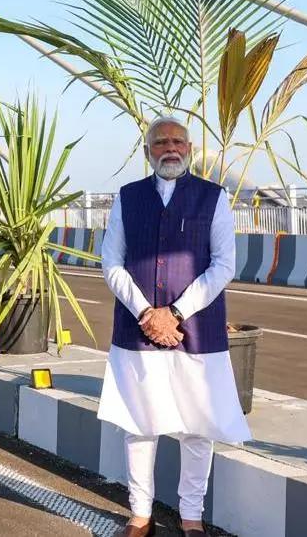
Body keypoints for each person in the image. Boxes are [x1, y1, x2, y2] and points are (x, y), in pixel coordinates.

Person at [99, 115, 249, 537]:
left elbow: (224, 266)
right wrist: (147, 314)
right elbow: (111, 262)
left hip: (197, 335)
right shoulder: (127, 198)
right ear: (148, 152)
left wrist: (176, 313)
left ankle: (191, 517)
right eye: (161, 142)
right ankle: (140, 514)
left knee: (196, 427)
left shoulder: (213, 198)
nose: (170, 148)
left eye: (178, 142)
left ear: (190, 149)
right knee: (140, 425)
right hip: (137, 332)